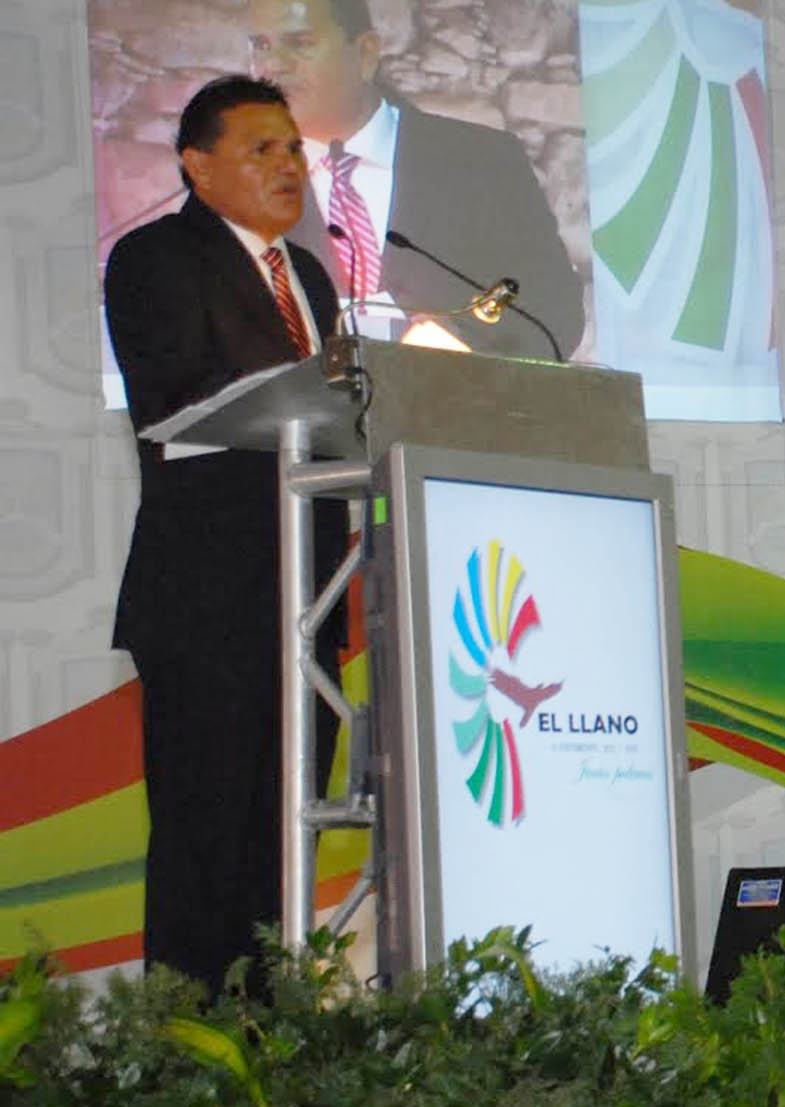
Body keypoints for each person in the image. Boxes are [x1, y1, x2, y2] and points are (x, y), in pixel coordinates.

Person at [105, 75, 349, 993]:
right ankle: (187, 1043)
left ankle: (274, 1029)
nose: (289, 167)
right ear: (198, 166)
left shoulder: (311, 277)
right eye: (262, 150)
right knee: (204, 840)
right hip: (208, 600)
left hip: (308, 599)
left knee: (285, 840)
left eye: (295, 150)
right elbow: (178, 398)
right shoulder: (155, 259)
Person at [247, 0, 584, 359]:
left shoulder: (481, 163)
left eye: (299, 43)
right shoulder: (237, 192)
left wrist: (463, 343)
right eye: (261, 45)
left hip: (457, 392)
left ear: (365, 53)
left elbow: (555, 310)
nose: (272, 66)